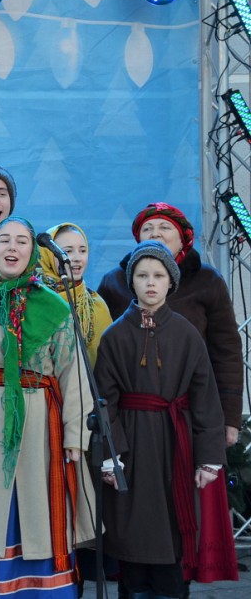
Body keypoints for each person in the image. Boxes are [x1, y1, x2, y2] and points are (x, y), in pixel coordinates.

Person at [0, 216, 95, 598]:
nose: (12, 247)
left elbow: (74, 376)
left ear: (33, 252)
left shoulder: (54, 307)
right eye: (4, 240)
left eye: (21, 241)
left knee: (39, 513)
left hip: (42, 429)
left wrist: (76, 436)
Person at [97, 202, 241, 590]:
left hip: (176, 440)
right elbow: (104, 399)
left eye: (158, 276)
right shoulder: (114, 336)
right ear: (131, 280)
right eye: (142, 275)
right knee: (132, 525)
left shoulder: (187, 333)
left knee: (176, 528)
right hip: (132, 443)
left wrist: (209, 455)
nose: (150, 283)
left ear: (170, 282)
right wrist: (111, 453)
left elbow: (205, 394)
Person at [96, 202, 244, 448]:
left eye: (165, 227)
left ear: (183, 239)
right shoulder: (115, 282)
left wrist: (229, 417)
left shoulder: (207, 281)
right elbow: (102, 357)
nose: (155, 234)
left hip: (191, 411)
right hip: (131, 415)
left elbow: (226, 351)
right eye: (147, 229)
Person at [38, 222, 112, 367]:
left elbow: (108, 365)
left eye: (83, 250)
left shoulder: (96, 305)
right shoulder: (33, 299)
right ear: (48, 254)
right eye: (68, 251)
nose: (77, 258)